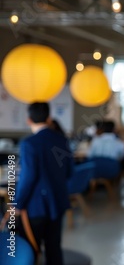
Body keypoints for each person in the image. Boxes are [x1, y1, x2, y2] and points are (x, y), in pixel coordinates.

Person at [15, 102, 73, 265]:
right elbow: (70, 172)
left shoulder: (29, 143)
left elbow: (28, 177)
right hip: (57, 202)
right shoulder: (62, 140)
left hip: (35, 206)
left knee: (30, 249)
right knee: (54, 248)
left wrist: (18, 204)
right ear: (48, 118)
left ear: (28, 120)